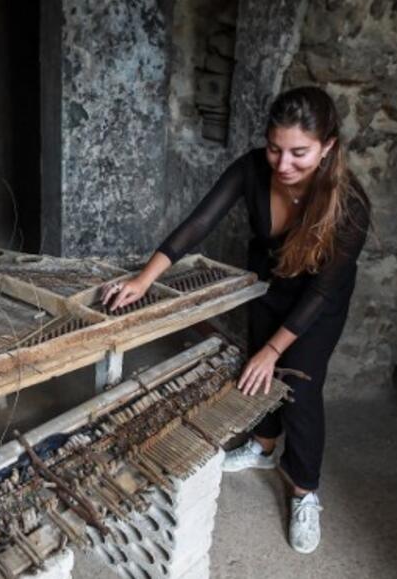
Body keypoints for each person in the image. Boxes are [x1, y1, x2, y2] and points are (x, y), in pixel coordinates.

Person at [102, 86, 371, 555]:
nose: (283, 164)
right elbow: (198, 223)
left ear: (328, 147)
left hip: (318, 300)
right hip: (269, 280)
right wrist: (144, 280)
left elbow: (321, 292)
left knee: (300, 389)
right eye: (275, 148)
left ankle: (305, 490)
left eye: (299, 153)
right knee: (257, 370)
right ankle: (263, 447)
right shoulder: (252, 168)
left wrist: (274, 350)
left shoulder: (349, 205)